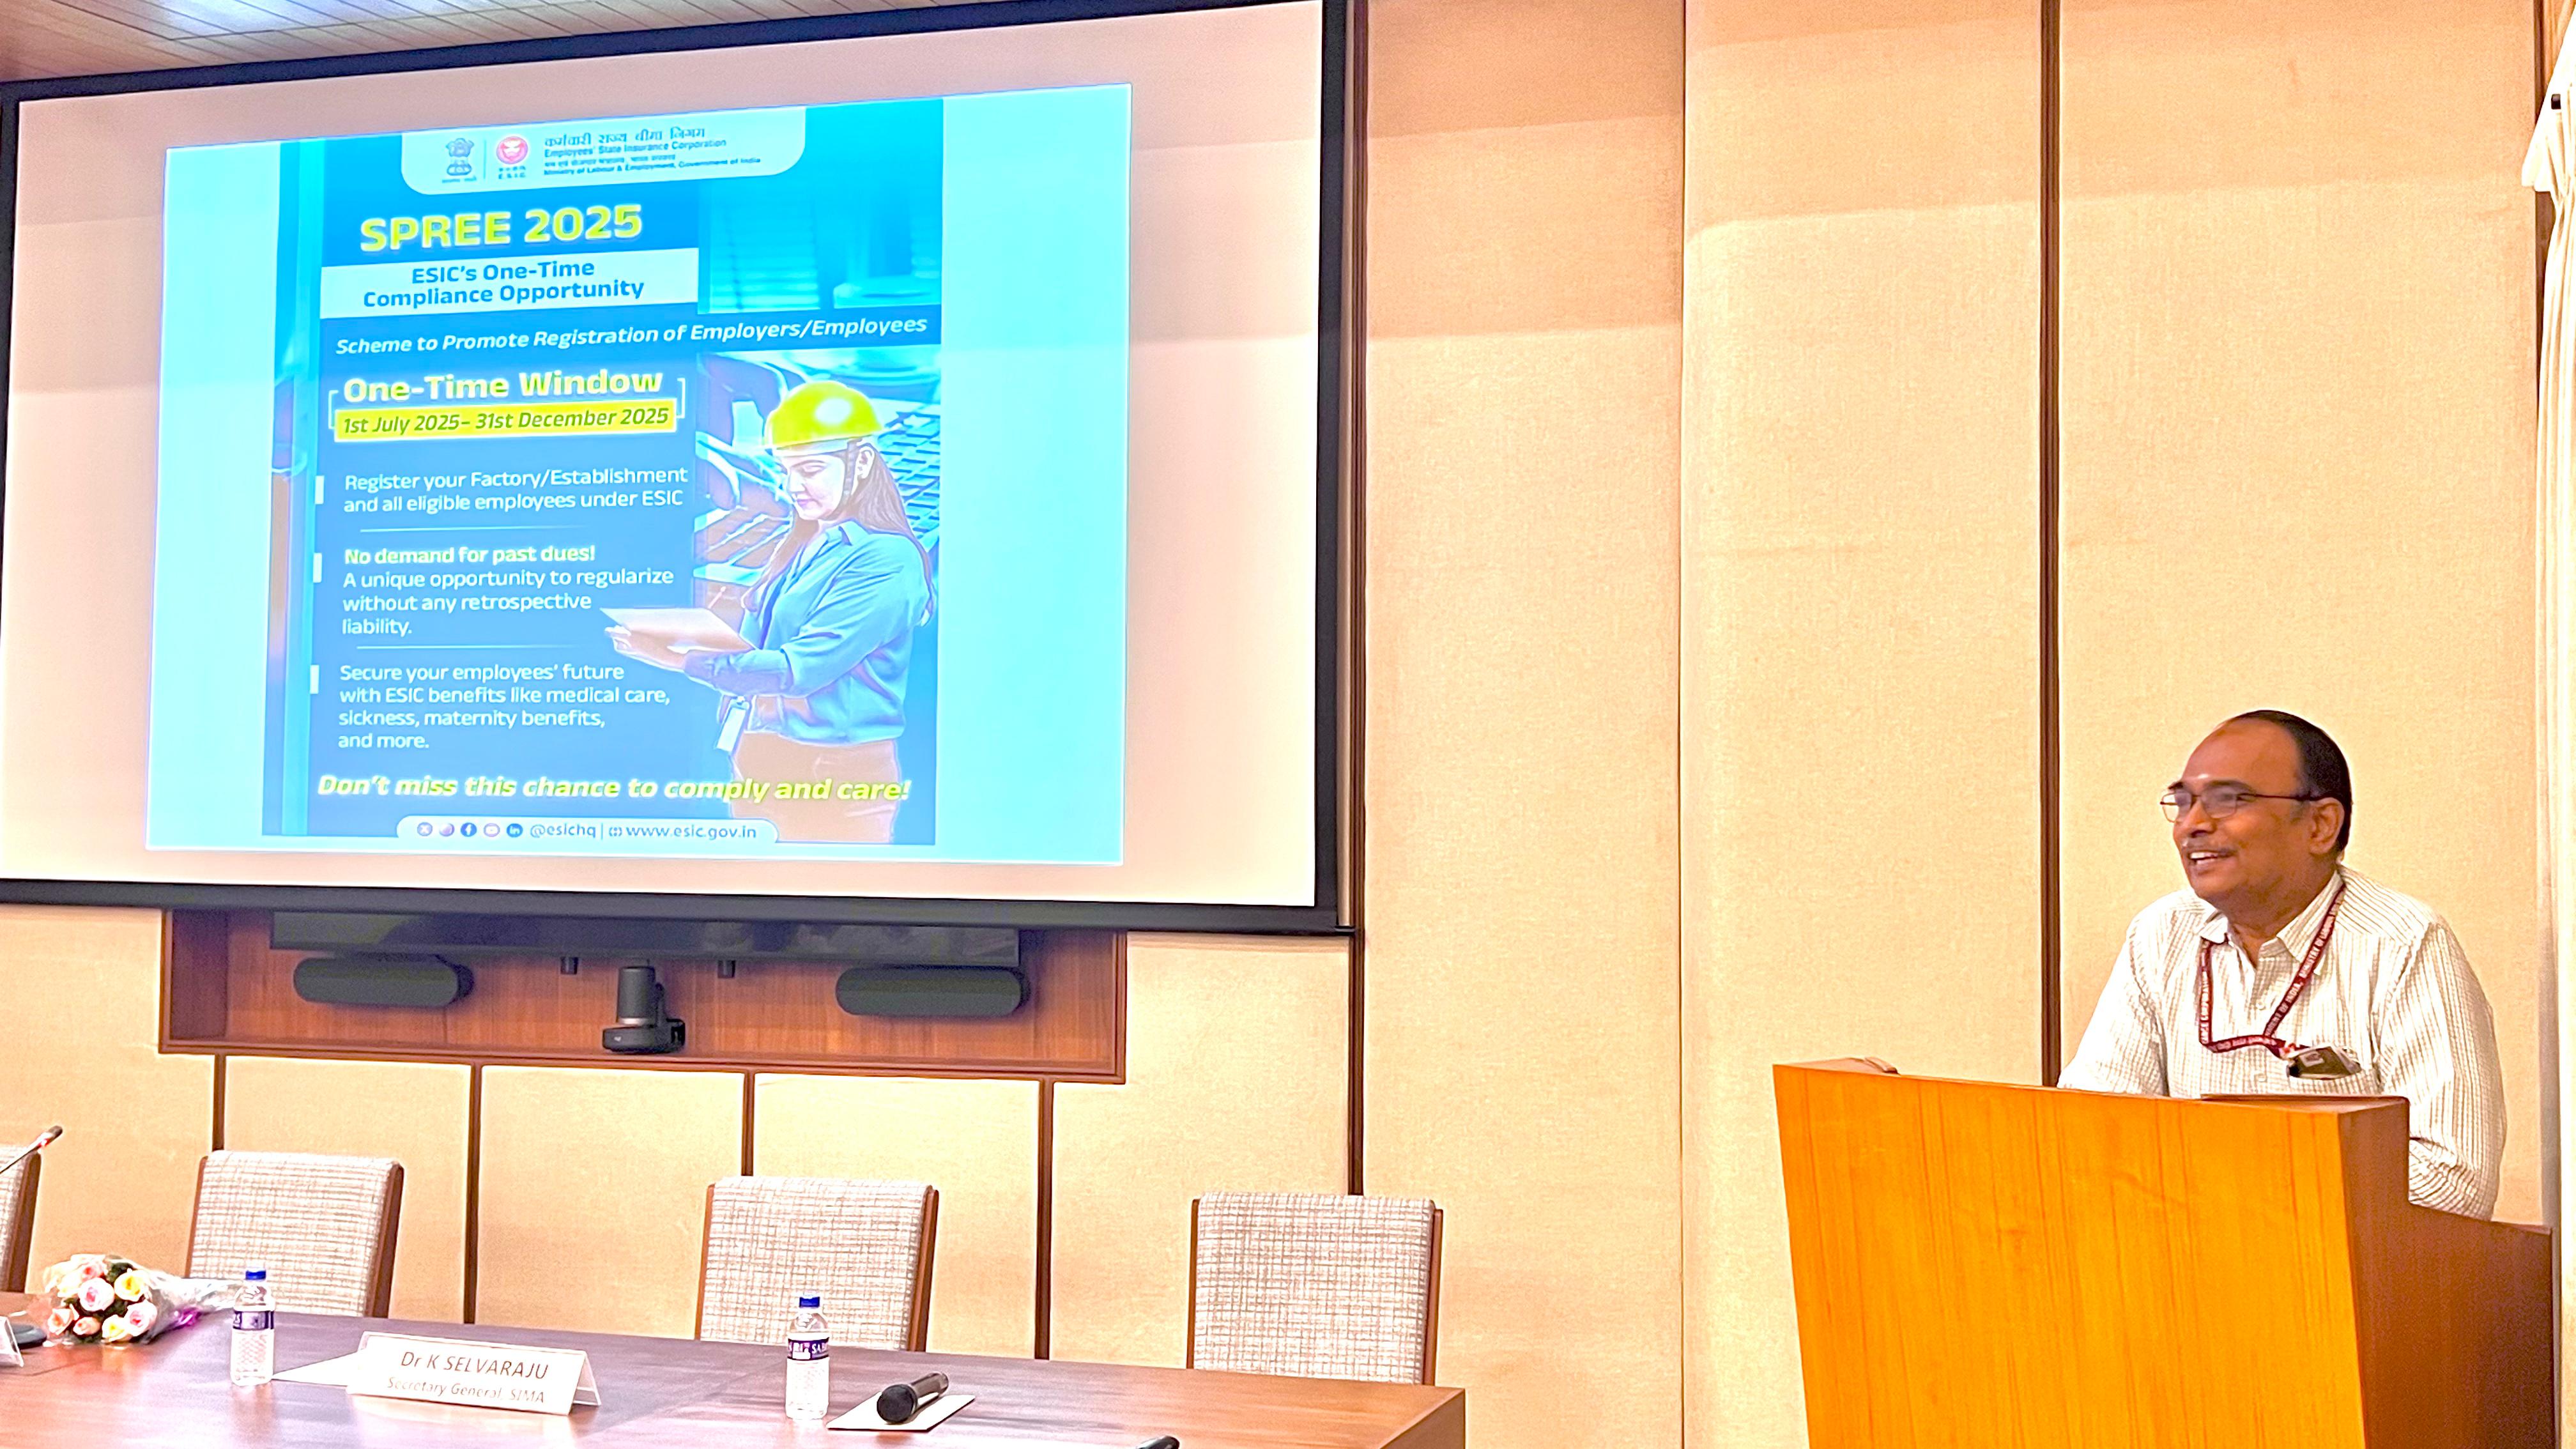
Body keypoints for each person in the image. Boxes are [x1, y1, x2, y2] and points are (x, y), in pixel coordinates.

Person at [2060, 710, 2504, 1217]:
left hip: (2334, 1262)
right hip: (2182, 1253)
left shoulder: (2402, 943)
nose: (2192, 825)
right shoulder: (2161, 936)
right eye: (2183, 802)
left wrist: (2230, 1188)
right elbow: (2091, 1134)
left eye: (2229, 800)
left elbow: (2453, 1182)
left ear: (2320, 825)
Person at [614, 379, 933, 843]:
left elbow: (797, 670)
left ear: (862, 462)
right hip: (762, 760)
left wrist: (678, 659)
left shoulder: (887, 559)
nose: (793, 487)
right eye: (786, 471)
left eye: (810, 470)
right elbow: (762, 646)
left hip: (836, 774)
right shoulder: (805, 545)